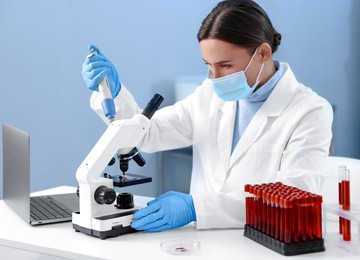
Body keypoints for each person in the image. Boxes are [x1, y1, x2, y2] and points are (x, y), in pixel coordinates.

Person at [81, 0, 333, 232]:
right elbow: (149, 134)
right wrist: (115, 94)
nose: (215, 78)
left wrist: (197, 208)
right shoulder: (209, 96)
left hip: (263, 245)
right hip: (202, 245)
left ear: (263, 53)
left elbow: (294, 196)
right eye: (208, 65)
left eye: (225, 65)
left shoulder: (309, 111)